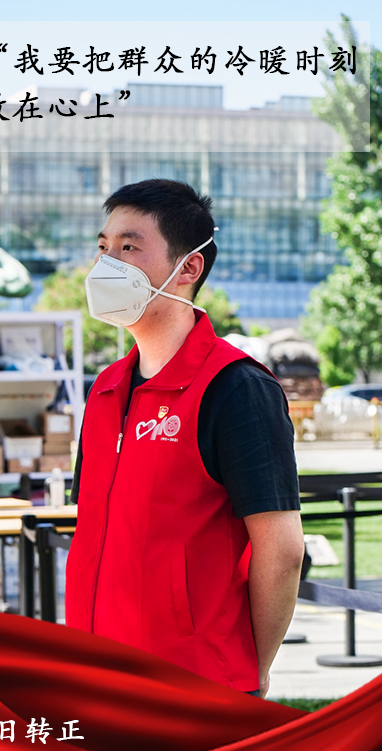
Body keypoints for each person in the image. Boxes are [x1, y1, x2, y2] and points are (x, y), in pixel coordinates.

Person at [65, 179, 304, 698]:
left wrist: (251, 670)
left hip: (194, 688)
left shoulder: (236, 387)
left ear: (188, 268)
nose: (106, 264)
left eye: (129, 248)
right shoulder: (105, 389)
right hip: (99, 675)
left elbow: (282, 549)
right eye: (103, 247)